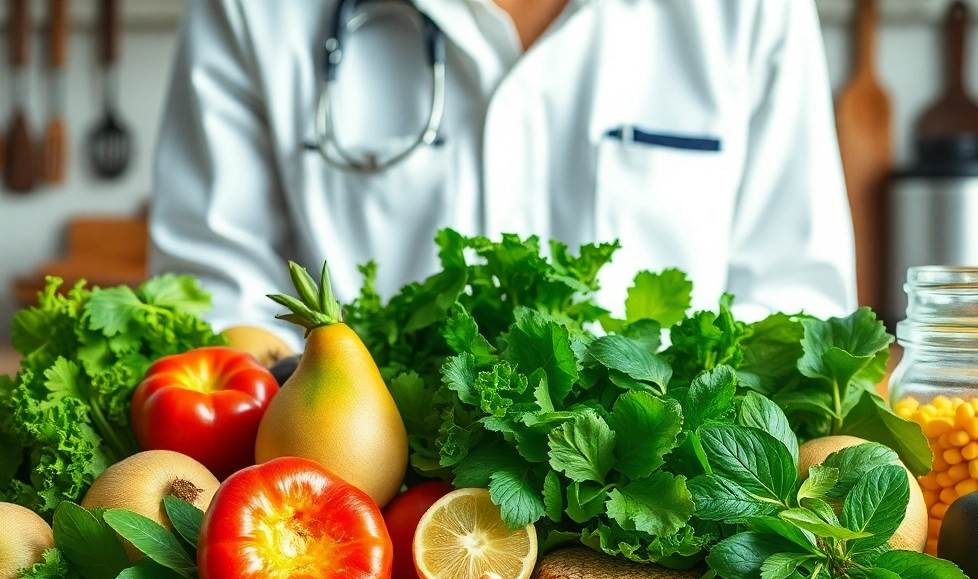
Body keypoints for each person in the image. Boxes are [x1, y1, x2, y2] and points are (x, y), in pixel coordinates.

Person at [150, 0, 855, 346]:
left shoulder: (754, 9)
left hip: (672, 537)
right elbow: (212, 314)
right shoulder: (252, 10)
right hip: (352, 536)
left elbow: (797, 311)